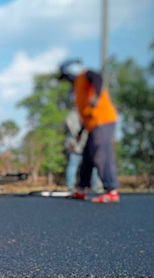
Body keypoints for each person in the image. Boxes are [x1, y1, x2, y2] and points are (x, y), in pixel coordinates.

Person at [59, 60, 120, 203]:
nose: (67, 80)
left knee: (101, 153)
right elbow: (85, 113)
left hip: (103, 120)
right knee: (87, 156)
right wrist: (80, 133)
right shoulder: (77, 86)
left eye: (67, 76)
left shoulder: (85, 75)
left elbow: (97, 77)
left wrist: (96, 97)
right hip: (92, 124)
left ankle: (112, 191)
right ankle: (81, 190)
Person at [63, 109, 102, 193]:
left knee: (93, 166)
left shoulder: (84, 113)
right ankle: (71, 187)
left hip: (85, 145)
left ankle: (95, 188)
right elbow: (72, 131)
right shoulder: (73, 115)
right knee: (73, 165)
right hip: (76, 145)